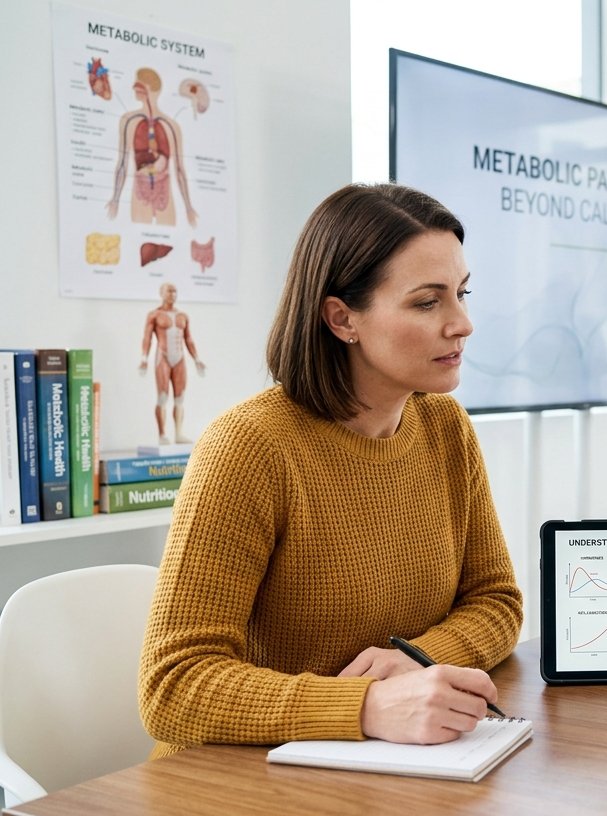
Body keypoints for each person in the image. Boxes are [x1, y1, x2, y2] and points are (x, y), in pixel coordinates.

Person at [138, 184, 524, 756]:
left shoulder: (445, 428)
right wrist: (365, 706)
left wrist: (417, 659)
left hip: (388, 771)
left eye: (462, 294)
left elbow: (496, 601)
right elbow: (173, 686)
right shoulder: (250, 447)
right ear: (342, 318)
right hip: (244, 786)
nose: (462, 323)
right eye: (427, 302)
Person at [106, 68, 198, 227]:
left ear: (148, 88)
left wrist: (189, 207)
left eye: (137, 84)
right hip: (140, 191)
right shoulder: (129, 120)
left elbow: (179, 170)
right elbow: (122, 164)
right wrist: (115, 199)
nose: (133, 89)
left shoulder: (171, 125)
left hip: (164, 191)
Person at [140, 282, 205, 444]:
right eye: (169, 291)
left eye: (175, 291)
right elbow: (147, 337)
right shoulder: (154, 315)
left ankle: (178, 433)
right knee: (162, 396)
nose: (173, 295)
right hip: (163, 357)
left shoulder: (183, 316)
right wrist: (144, 359)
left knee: (180, 397)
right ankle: (162, 434)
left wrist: (197, 359)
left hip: (180, 358)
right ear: (161, 293)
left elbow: (188, 338)